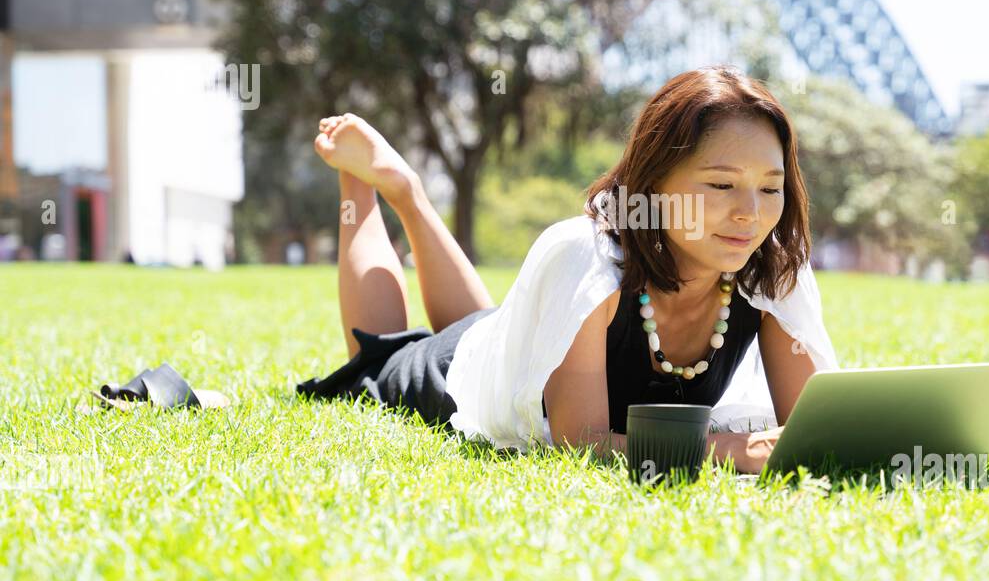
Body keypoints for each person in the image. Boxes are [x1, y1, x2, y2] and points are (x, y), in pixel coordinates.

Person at [295, 64, 838, 475]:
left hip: (509, 337)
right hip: (449, 370)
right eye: (721, 185)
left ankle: (411, 198)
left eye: (771, 188)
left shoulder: (771, 268)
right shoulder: (586, 257)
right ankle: (370, 183)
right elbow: (579, 441)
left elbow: (811, 429)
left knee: (489, 321)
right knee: (386, 351)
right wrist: (732, 451)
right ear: (652, 183)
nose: (751, 213)